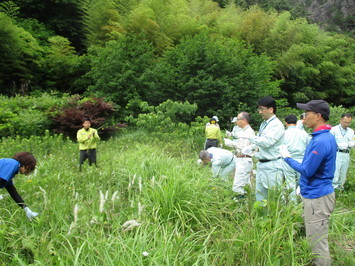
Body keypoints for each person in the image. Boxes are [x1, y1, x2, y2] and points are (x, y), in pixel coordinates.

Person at [280, 100, 337, 266]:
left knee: (317, 244)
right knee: (315, 238)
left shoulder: (321, 141)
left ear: (318, 116)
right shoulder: (324, 136)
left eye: (307, 113)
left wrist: (287, 158)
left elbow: (307, 170)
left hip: (317, 197)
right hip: (316, 193)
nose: (303, 117)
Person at [243, 96, 285, 202]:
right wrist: (251, 147)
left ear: (271, 109)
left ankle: (279, 217)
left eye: (262, 109)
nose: (260, 112)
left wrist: (250, 137)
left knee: (275, 196)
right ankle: (262, 216)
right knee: (260, 196)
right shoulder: (264, 124)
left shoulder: (276, 125)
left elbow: (267, 142)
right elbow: (260, 140)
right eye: (259, 109)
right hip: (262, 164)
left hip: (272, 165)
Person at [0, 152, 39, 221]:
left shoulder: (13, 169)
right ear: (26, 165)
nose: (28, 172)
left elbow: (13, 192)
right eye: (29, 169)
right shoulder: (12, 164)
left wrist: (26, 209)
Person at [225, 112, 255, 199]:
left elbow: (244, 148)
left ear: (244, 120)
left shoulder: (249, 132)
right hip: (242, 159)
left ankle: (238, 201)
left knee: (238, 184)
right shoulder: (243, 131)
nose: (237, 121)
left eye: (238, 119)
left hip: (244, 159)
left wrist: (231, 144)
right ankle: (245, 202)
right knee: (245, 183)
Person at [281, 114, 310, 202]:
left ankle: (292, 204)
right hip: (301, 159)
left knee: (290, 182)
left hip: (288, 159)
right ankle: (303, 202)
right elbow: (309, 146)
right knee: (302, 182)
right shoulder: (303, 133)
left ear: (286, 122)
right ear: (296, 122)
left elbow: (281, 147)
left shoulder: (284, 133)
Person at [330, 113, 354, 190]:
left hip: (346, 153)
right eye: (345, 122)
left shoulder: (351, 131)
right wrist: (338, 144)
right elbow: (330, 142)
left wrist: (352, 144)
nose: (346, 124)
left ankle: (341, 188)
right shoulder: (334, 130)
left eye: (349, 122)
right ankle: (333, 188)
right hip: (337, 153)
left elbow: (352, 140)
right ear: (341, 120)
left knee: (344, 171)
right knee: (336, 171)